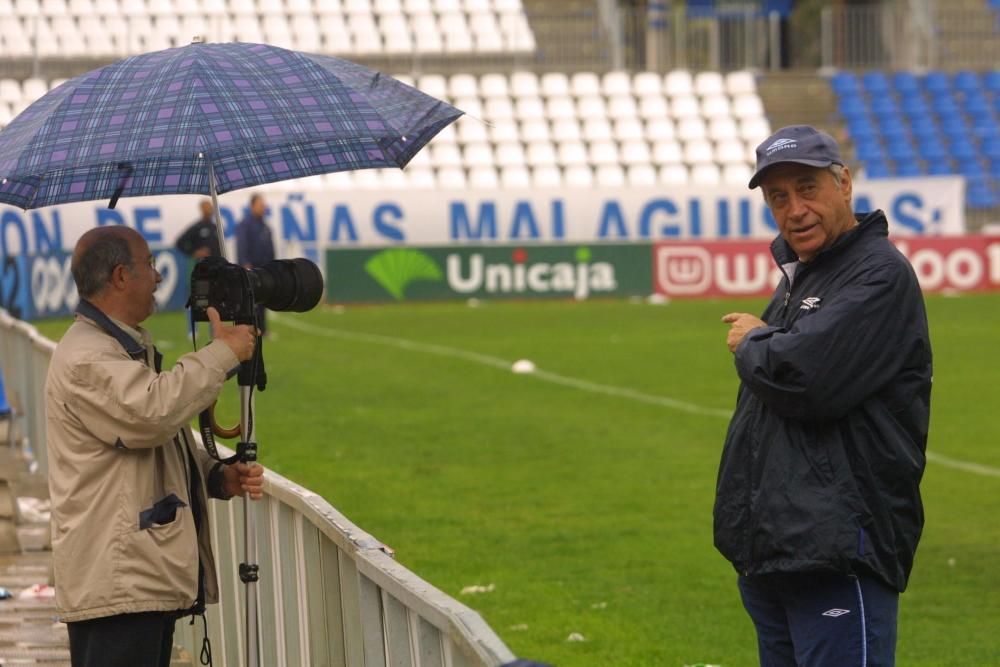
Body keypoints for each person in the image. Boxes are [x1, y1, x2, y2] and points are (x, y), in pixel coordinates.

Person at [714, 125, 932, 666]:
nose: (795, 209)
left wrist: (754, 340)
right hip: (780, 550)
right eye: (778, 197)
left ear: (844, 184)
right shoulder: (803, 277)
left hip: (837, 552)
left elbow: (805, 380)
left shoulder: (878, 274)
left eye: (807, 188)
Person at [45, 225, 264, 667]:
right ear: (122, 276)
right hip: (119, 582)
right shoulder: (90, 357)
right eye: (150, 265)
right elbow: (152, 414)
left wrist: (216, 475)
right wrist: (222, 354)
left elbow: (148, 449)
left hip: (131, 575)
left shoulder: (116, 346)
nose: (160, 277)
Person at [235, 193, 275, 335]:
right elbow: (242, 246)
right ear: (252, 206)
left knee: (263, 299)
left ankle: (262, 329)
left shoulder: (265, 226)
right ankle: (251, 330)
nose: (263, 207)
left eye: (264, 205)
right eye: (260, 205)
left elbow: (270, 248)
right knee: (251, 301)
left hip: (264, 269)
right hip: (251, 269)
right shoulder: (245, 225)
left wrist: (272, 266)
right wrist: (245, 263)